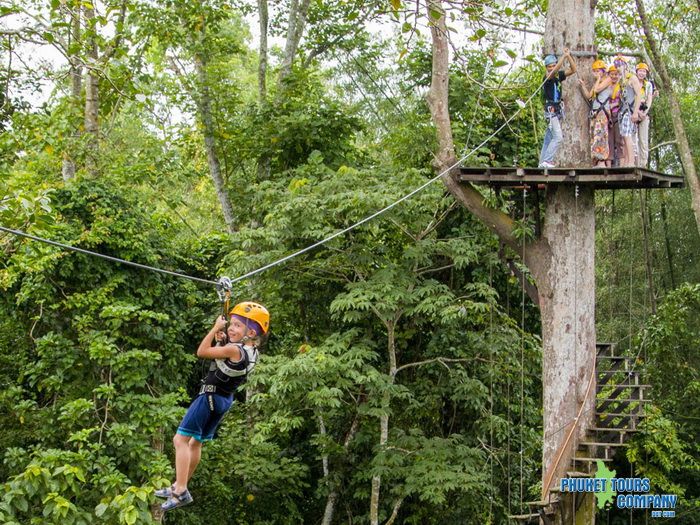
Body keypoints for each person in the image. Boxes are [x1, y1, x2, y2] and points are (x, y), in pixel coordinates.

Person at [156, 301, 270, 511]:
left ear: (251, 331)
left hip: (208, 397)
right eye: (231, 324)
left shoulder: (234, 350)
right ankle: (179, 486)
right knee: (195, 443)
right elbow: (225, 361)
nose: (231, 328)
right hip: (223, 400)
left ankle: (180, 489)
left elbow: (202, 351)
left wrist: (215, 329)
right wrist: (222, 341)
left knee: (180, 439)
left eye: (237, 325)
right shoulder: (250, 353)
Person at [538, 48, 577, 169]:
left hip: (557, 109)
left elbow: (573, 69)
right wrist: (563, 57)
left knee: (549, 137)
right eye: (549, 66)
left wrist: (568, 56)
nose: (552, 68)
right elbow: (554, 70)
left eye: (553, 66)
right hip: (550, 110)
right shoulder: (547, 77)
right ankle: (547, 160)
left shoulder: (558, 77)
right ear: (546, 68)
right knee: (558, 137)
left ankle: (542, 161)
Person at [579, 60, 613, 167]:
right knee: (594, 135)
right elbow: (589, 96)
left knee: (601, 135)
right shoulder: (597, 82)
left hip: (603, 112)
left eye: (598, 71)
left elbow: (597, 90)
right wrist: (583, 86)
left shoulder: (607, 80)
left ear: (603, 71)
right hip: (595, 112)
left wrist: (598, 78)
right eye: (594, 71)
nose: (596, 73)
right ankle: (596, 160)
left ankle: (602, 161)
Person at [614, 55, 642, 167]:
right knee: (623, 136)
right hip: (622, 110)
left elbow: (639, 95)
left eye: (620, 65)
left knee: (627, 135)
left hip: (629, 110)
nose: (618, 67)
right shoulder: (621, 81)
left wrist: (635, 112)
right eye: (616, 65)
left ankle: (631, 161)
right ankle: (626, 161)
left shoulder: (632, 78)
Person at [635, 63, 654, 167]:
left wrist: (644, 113)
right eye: (640, 71)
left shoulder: (648, 85)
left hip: (644, 112)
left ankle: (643, 163)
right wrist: (637, 112)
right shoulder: (632, 82)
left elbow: (649, 99)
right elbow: (631, 98)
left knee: (643, 139)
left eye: (644, 71)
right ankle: (635, 163)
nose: (642, 73)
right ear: (636, 71)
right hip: (634, 112)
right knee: (633, 139)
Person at [607, 64, 623, 166]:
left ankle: (621, 163)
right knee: (609, 140)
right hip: (608, 115)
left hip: (618, 114)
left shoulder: (621, 86)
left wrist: (614, 104)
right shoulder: (606, 85)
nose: (614, 76)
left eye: (616, 74)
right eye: (612, 74)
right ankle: (608, 164)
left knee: (619, 139)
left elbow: (623, 100)